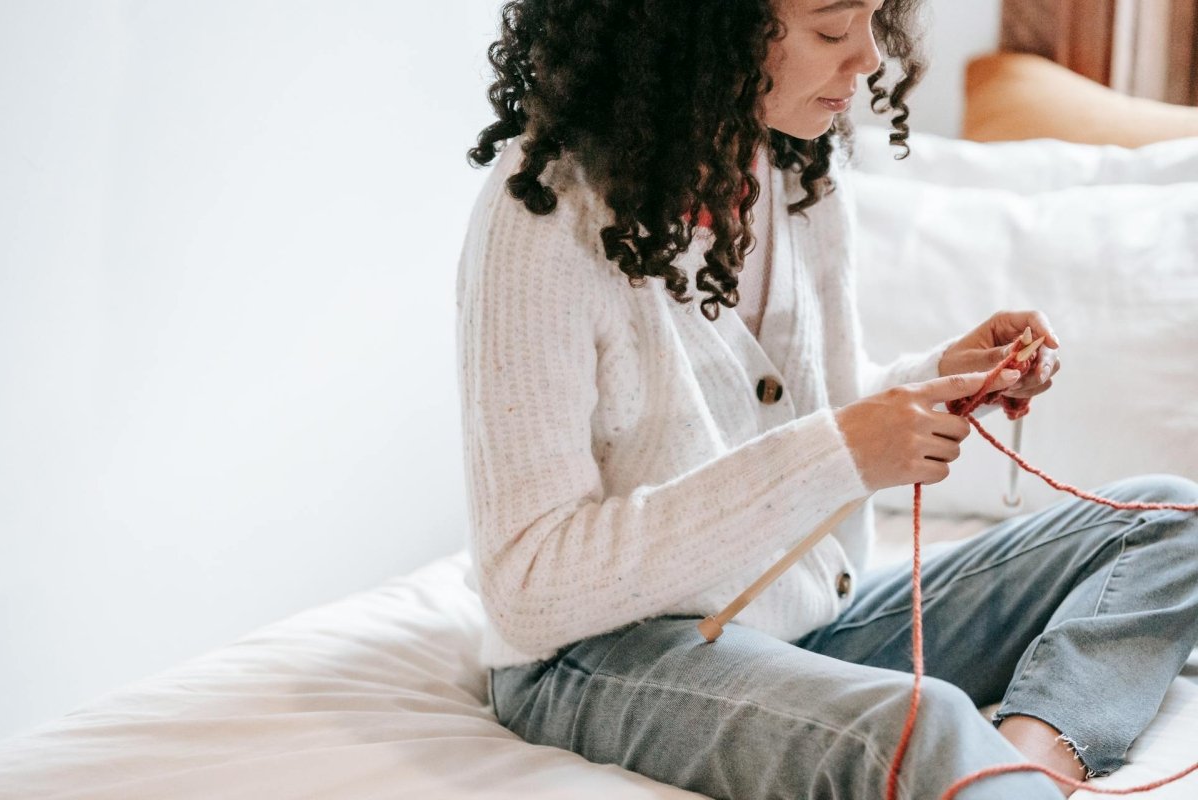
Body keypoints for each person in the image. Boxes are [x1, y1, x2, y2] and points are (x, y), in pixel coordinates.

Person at [454, 0, 1198, 797]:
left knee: (1167, 519)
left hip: (802, 615)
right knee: (922, 722)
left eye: (876, 19)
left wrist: (946, 379)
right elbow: (527, 585)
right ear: (706, 32)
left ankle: (1030, 768)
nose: (870, 59)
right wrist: (840, 451)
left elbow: (829, 408)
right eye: (833, 30)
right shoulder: (544, 219)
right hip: (600, 651)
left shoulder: (797, 168)